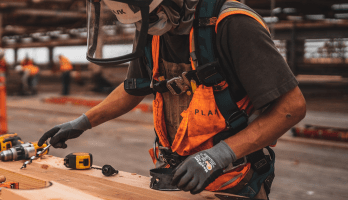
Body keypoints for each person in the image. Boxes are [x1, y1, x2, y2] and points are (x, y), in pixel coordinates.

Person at [37, 0, 306, 199]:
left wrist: (218, 156)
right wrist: (83, 122)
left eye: (152, 17)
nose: (146, 26)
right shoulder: (151, 30)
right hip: (175, 179)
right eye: (142, 21)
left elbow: (292, 108)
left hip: (232, 182)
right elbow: (134, 88)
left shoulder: (232, 24)